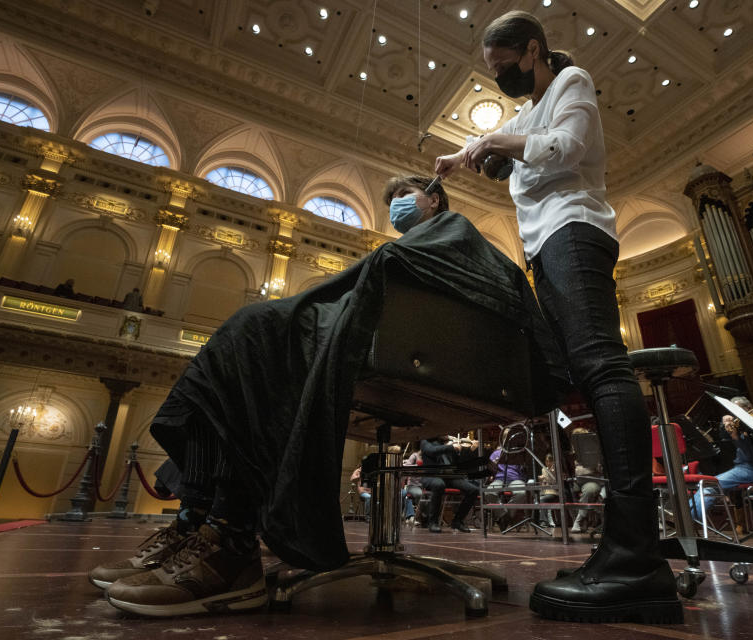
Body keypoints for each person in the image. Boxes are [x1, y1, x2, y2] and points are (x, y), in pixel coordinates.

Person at [88, 174, 564, 617]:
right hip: (390, 354)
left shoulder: (454, 231)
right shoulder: (415, 251)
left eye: (405, 194)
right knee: (252, 345)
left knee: (255, 333)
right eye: (391, 199)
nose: (396, 205)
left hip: (423, 366)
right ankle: (198, 523)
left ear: (435, 199)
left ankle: (230, 542)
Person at [435, 10, 681, 623]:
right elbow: (485, 146)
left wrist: (495, 142)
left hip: (575, 229)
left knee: (603, 368)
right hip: (545, 246)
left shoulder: (573, 84)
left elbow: (567, 148)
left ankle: (637, 558)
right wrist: (455, 157)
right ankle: (619, 551)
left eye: (504, 67)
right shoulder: (523, 113)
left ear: (533, 50)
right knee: (582, 373)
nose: (500, 80)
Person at [419, 436, 480, 533]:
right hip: (432, 475)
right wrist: (451, 447)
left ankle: (457, 521)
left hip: (449, 476)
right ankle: (433, 522)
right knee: (439, 484)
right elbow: (432, 451)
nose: (448, 435)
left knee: (473, 490)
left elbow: (460, 462)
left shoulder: (446, 444)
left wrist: (470, 450)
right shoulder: (426, 441)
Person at [485, 442, 529, 531]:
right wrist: (494, 466)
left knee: (521, 493)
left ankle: (505, 518)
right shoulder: (496, 453)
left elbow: (525, 470)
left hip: (515, 478)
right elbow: (489, 470)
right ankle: (504, 515)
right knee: (489, 492)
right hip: (499, 478)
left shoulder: (518, 453)